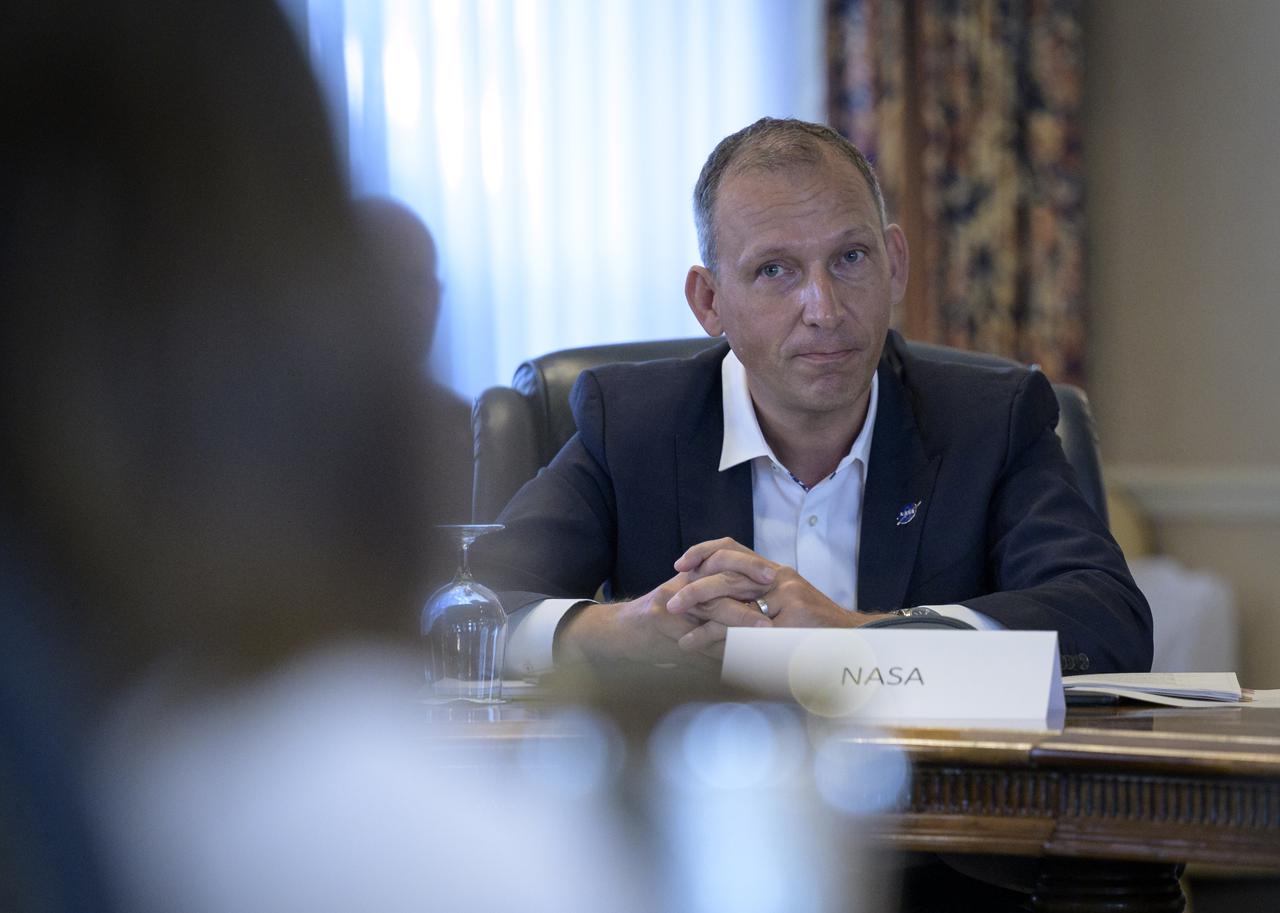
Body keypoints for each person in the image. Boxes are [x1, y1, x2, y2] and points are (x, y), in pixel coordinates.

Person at [473, 117, 1152, 679]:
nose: (823, 309)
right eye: (775, 270)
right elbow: (463, 605)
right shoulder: (633, 425)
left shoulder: (991, 420)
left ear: (895, 265)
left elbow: (1107, 619)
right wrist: (627, 629)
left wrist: (856, 636)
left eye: (851, 258)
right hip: (698, 823)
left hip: (941, 824)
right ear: (710, 301)